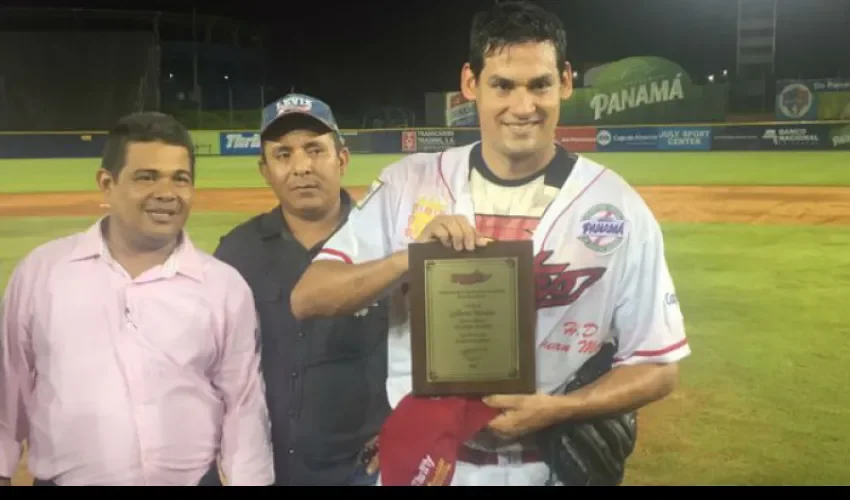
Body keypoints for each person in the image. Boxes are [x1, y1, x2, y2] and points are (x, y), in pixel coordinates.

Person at [290, 0, 691, 487]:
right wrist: (411, 260)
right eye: (502, 85)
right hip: (425, 462)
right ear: (470, 82)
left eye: (539, 85)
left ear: (565, 81)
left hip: (545, 467)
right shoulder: (408, 184)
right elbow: (309, 297)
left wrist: (559, 409)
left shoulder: (616, 206)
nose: (523, 107)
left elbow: (658, 366)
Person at [0, 112, 274, 486]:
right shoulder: (42, 273)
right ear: (107, 183)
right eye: (147, 177)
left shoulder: (223, 286)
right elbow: (9, 385)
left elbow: (244, 405)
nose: (166, 192)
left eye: (180, 178)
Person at [213, 94, 390, 486]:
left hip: (365, 468)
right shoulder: (237, 251)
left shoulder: (385, 241)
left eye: (315, 150)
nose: (301, 167)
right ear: (265, 169)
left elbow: (423, 351)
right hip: (268, 466)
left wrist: (406, 427)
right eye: (283, 154)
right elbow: (213, 361)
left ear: (342, 159)